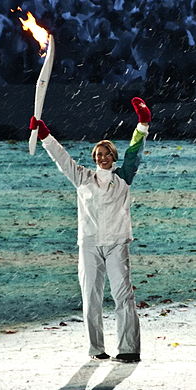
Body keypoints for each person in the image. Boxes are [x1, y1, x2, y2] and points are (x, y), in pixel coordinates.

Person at [29, 97, 151, 363]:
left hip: (117, 242)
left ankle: (129, 349)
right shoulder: (82, 177)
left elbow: (134, 152)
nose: (103, 158)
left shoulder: (123, 177)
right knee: (91, 298)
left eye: (107, 154)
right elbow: (63, 159)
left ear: (113, 157)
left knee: (123, 296)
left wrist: (142, 124)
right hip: (89, 243)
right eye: (99, 155)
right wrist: (45, 136)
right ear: (94, 158)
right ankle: (97, 349)